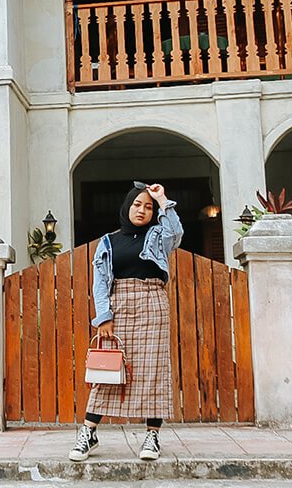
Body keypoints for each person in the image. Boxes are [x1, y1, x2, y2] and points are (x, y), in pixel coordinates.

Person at [70, 181, 184, 463]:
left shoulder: (159, 235)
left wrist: (162, 199)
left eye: (147, 207)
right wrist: (104, 316)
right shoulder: (108, 241)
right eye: (137, 204)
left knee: (153, 369)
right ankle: (89, 432)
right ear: (126, 207)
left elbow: (176, 232)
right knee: (107, 370)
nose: (142, 210)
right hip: (119, 305)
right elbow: (100, 283)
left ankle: (152, 435)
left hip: (153, 302)